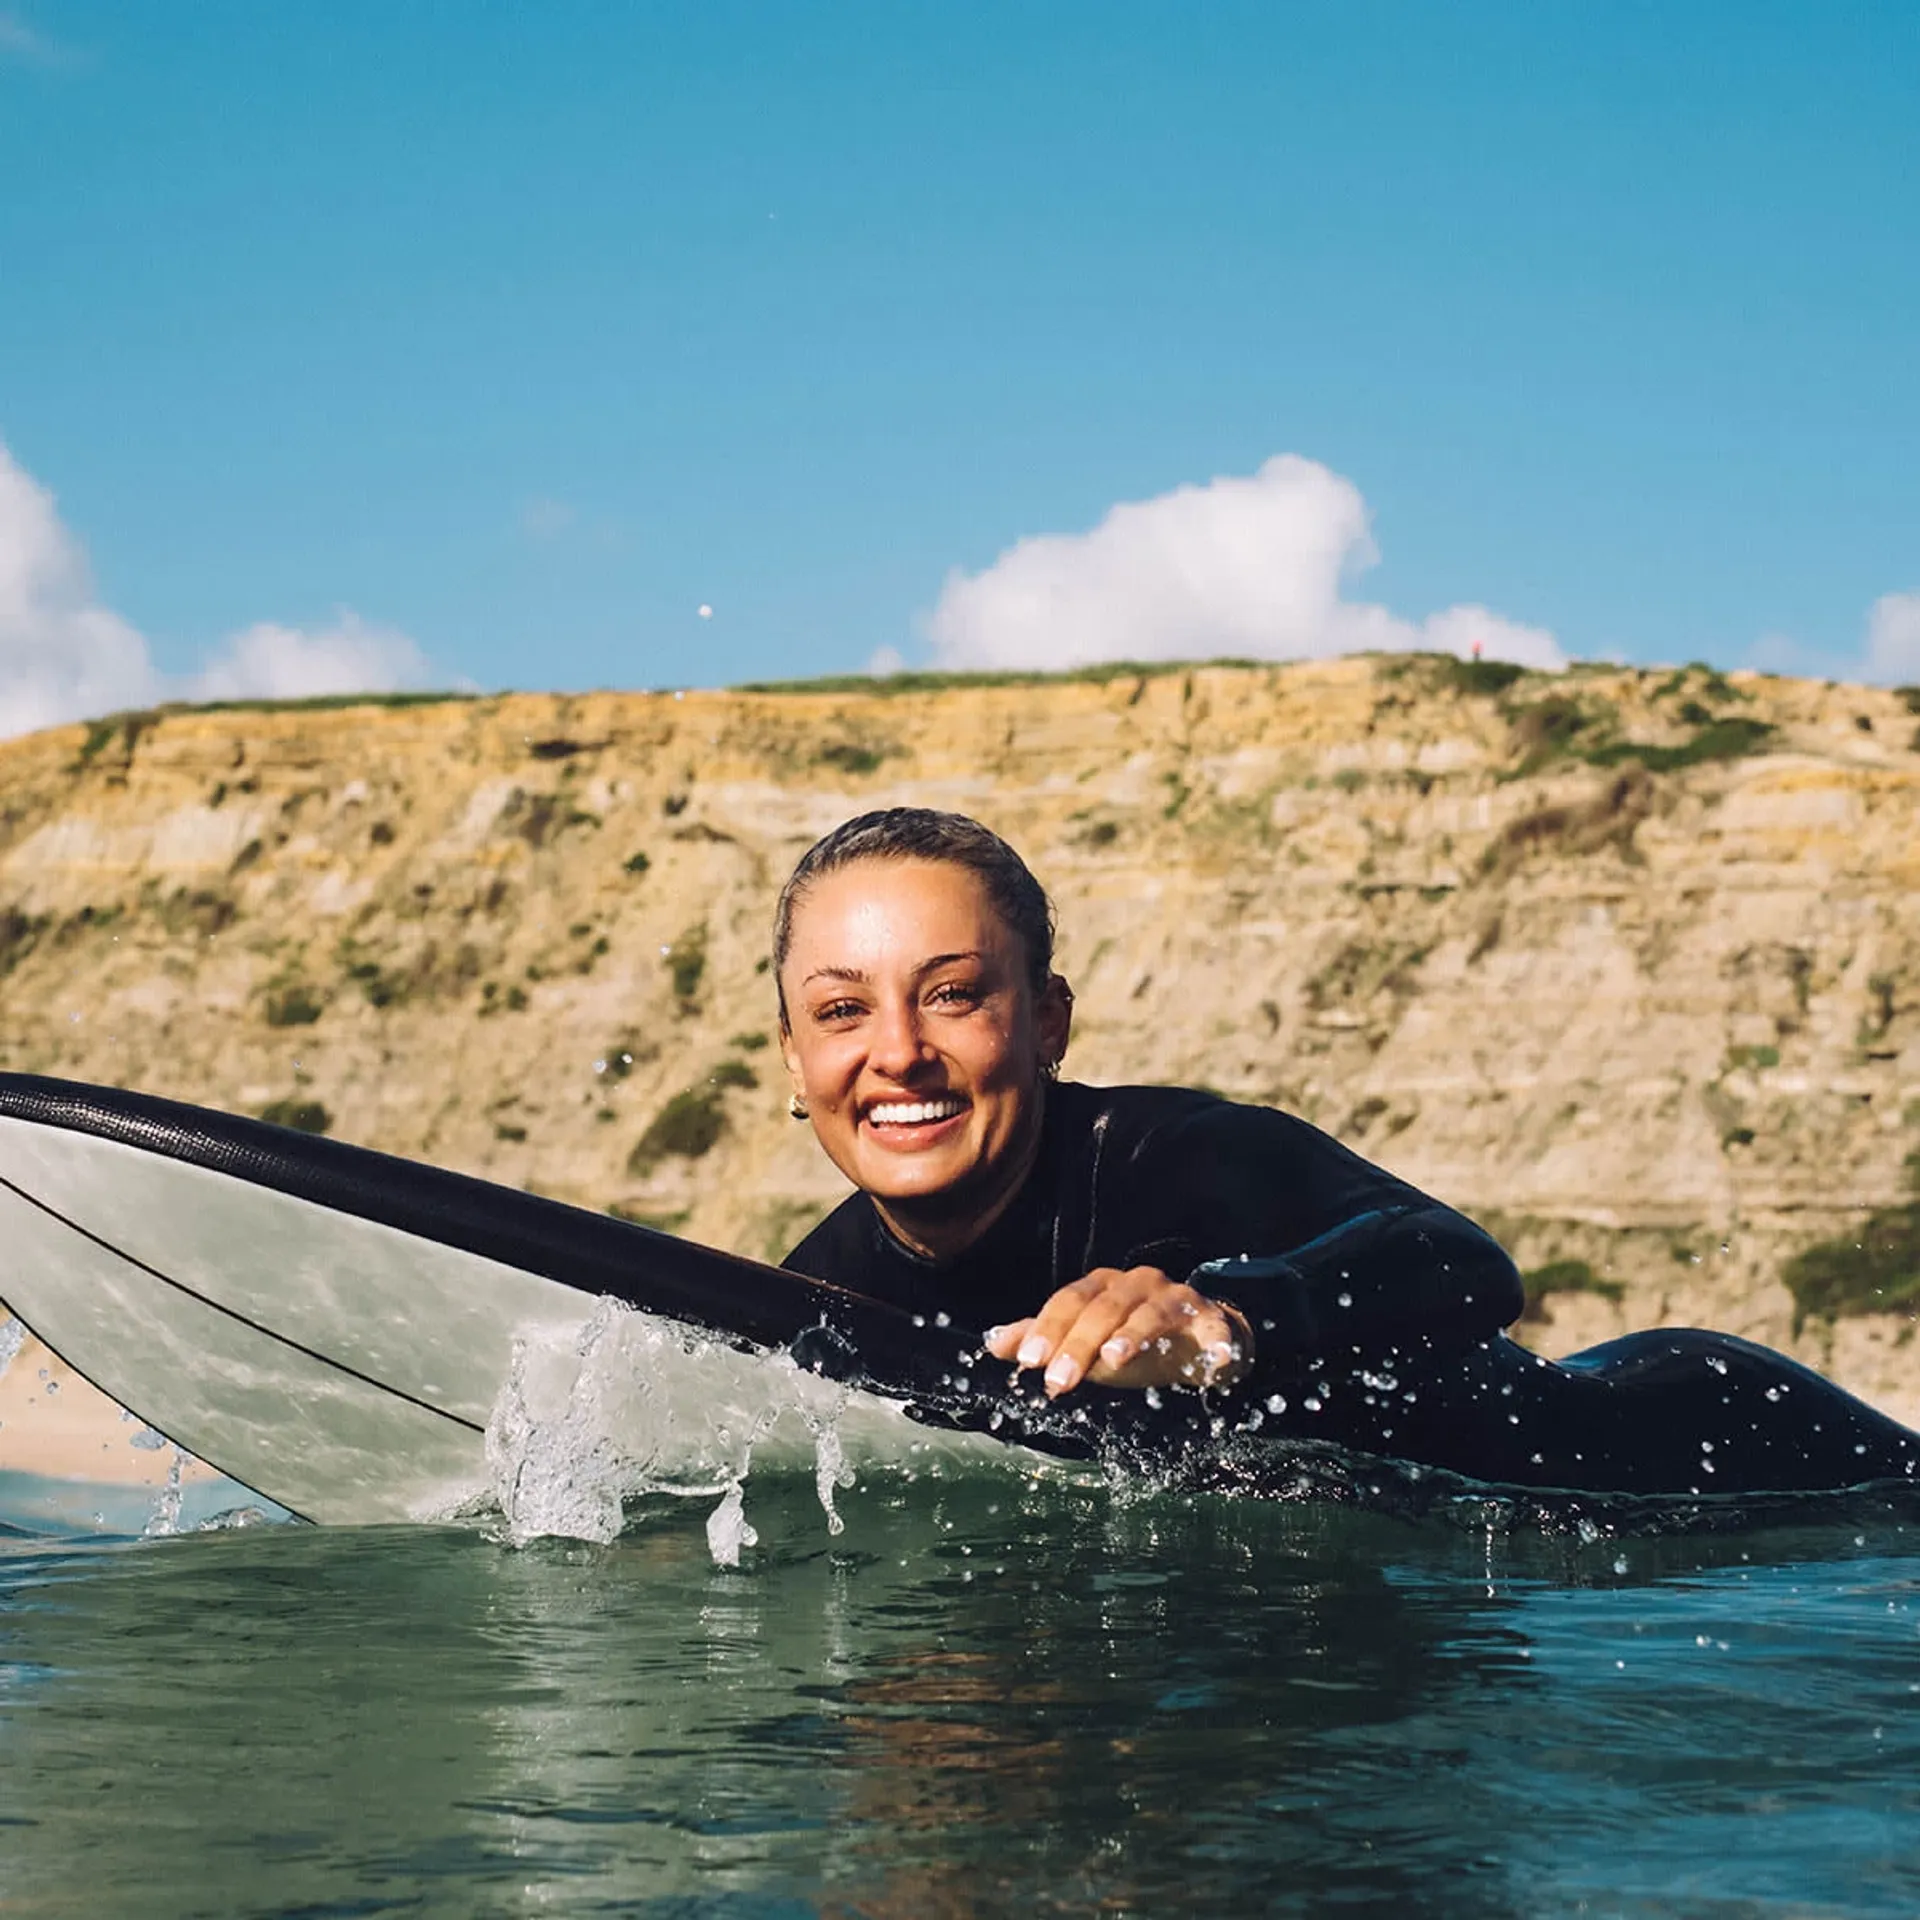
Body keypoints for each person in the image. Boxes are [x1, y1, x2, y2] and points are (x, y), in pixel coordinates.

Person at [774, 808, 1920, 1500]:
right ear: (790, 1056)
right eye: (840, 1012)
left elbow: (1467, 1266)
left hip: (1707, 1467)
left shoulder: (1173, 1157)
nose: (899, 1054)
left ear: (1049, 1021)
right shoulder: (818, 1291)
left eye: (956, 995)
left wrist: (1225, 1324)